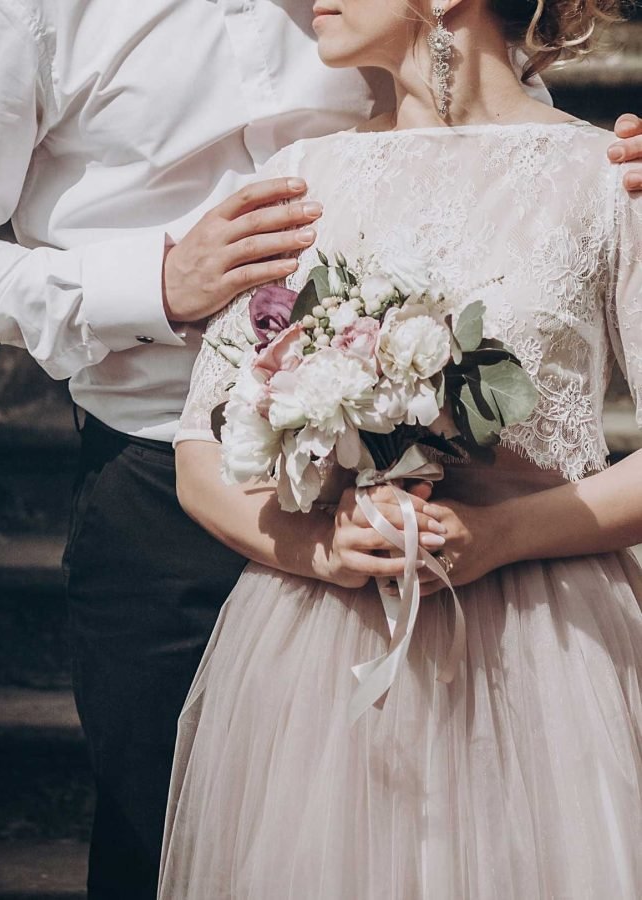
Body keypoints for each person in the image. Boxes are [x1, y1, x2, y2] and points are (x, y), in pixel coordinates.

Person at [0, 2, 639, 898]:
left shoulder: (583, 169)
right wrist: (150, 283)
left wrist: (594, 171)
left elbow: (481, 125)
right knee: (174, 844)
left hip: (525, 583)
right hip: (175, 489)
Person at [159, 0, 642, 897]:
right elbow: (200, 452)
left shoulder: (607, 176)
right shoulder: (298, 179)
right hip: (322, 656)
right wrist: (320, 549)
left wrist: (502, 535)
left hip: (549, 651)